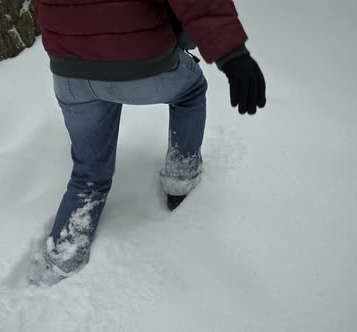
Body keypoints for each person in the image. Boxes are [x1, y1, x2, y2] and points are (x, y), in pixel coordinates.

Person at [29, 0, 266, 286]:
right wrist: (233, 54)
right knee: (189, 91)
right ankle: (181, 176)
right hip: (144, 64)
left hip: (71, 73)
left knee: (88, 175)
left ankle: (60, 260)